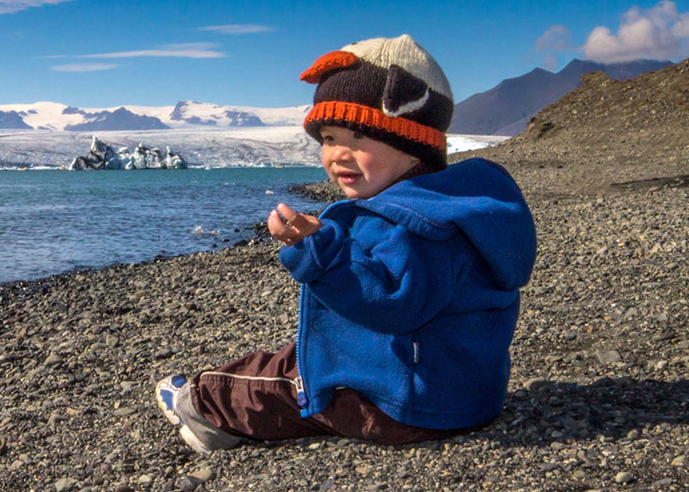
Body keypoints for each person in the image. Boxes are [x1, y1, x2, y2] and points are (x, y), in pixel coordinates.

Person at [154, 34, 537, 453]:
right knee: (300, 356)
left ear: (411, 143)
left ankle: (202, 404)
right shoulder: (459, 208)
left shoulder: (413, 223)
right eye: (329, 139)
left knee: (290, 381)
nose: (338, 154)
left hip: (400, 407)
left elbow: (390, 302)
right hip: (467, 398)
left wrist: (319, 250)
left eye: (358, 136)